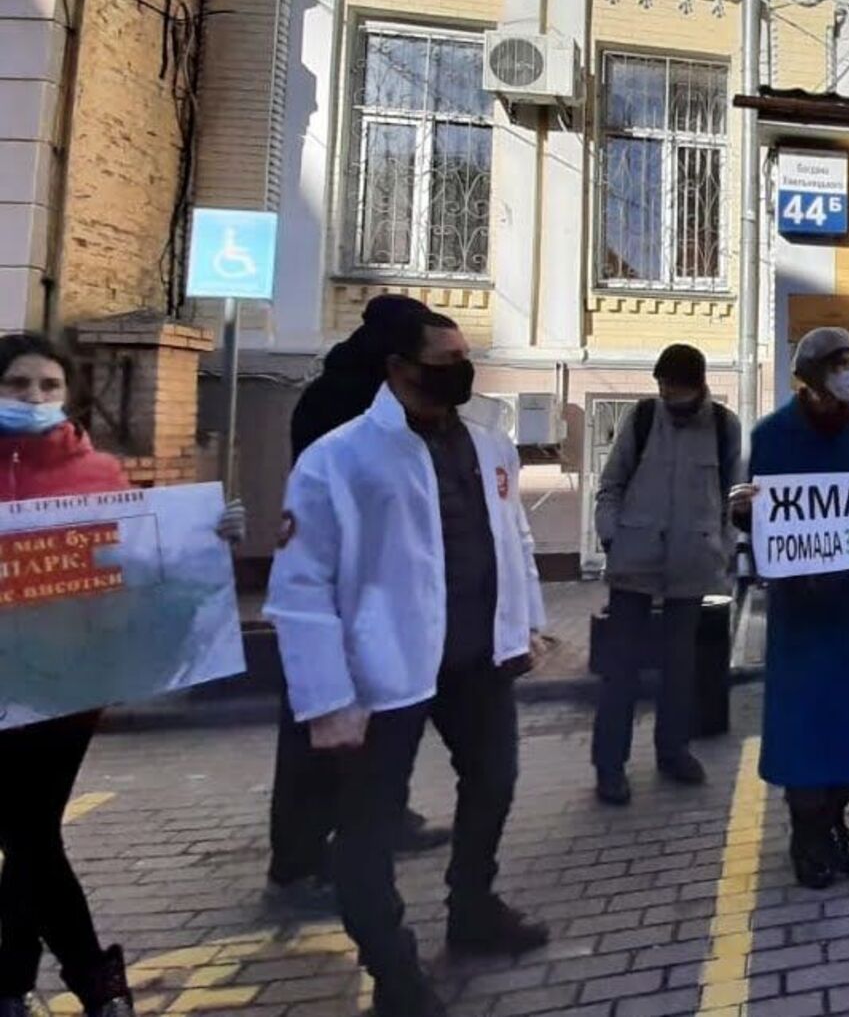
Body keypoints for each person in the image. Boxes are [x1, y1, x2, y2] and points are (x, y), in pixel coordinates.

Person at [266, 311, 550, 1017]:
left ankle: (474, 908)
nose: (462, 366)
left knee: (494, 783)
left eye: (465, 354)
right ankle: (394, 972)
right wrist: (325, 699)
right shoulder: (341, 458)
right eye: (446, 357)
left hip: (479, 661)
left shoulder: (489, 448)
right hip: (383, 671)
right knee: (368, 828)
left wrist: (528, 627)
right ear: (399, 367)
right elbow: (300, 585)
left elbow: (514, 540)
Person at [1, 333, 244, 1017]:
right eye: (18, 385)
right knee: (26, 837)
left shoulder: (97, 472)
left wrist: (209, 536)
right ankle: (66, 980)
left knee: (27, 833)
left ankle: (46, 984)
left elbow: (142, 558)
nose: (34, 398)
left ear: (68, 396)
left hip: (67, 691)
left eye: (48, 386)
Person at [269, 294, 449, 913]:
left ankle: (378, 825)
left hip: (383, 595)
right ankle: (297, 860)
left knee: (381, 732)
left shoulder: (364, 391)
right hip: (339, 596)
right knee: (316, 735)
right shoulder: (347, 401)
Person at [733, 328, 849, 889]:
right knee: (808, 730)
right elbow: (762, 520)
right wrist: (747, 516)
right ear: (809, 373)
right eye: (838, 364)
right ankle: (805, 835)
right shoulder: (774, 436)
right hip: (807, 615)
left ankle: (834, 824)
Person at [590, 344, 741, 805]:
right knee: (622, 672)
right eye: (661, 386)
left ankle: (673, 751)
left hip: (691, 565)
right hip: (633, 564)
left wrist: (722, 547)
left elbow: (732, 497)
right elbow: (610, 486)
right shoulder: (640, 419)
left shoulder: (722, 425)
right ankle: (609, 767)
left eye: (673, 387)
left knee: (681, 668)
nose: (666, 394)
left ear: (696, 386)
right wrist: (612, 538)